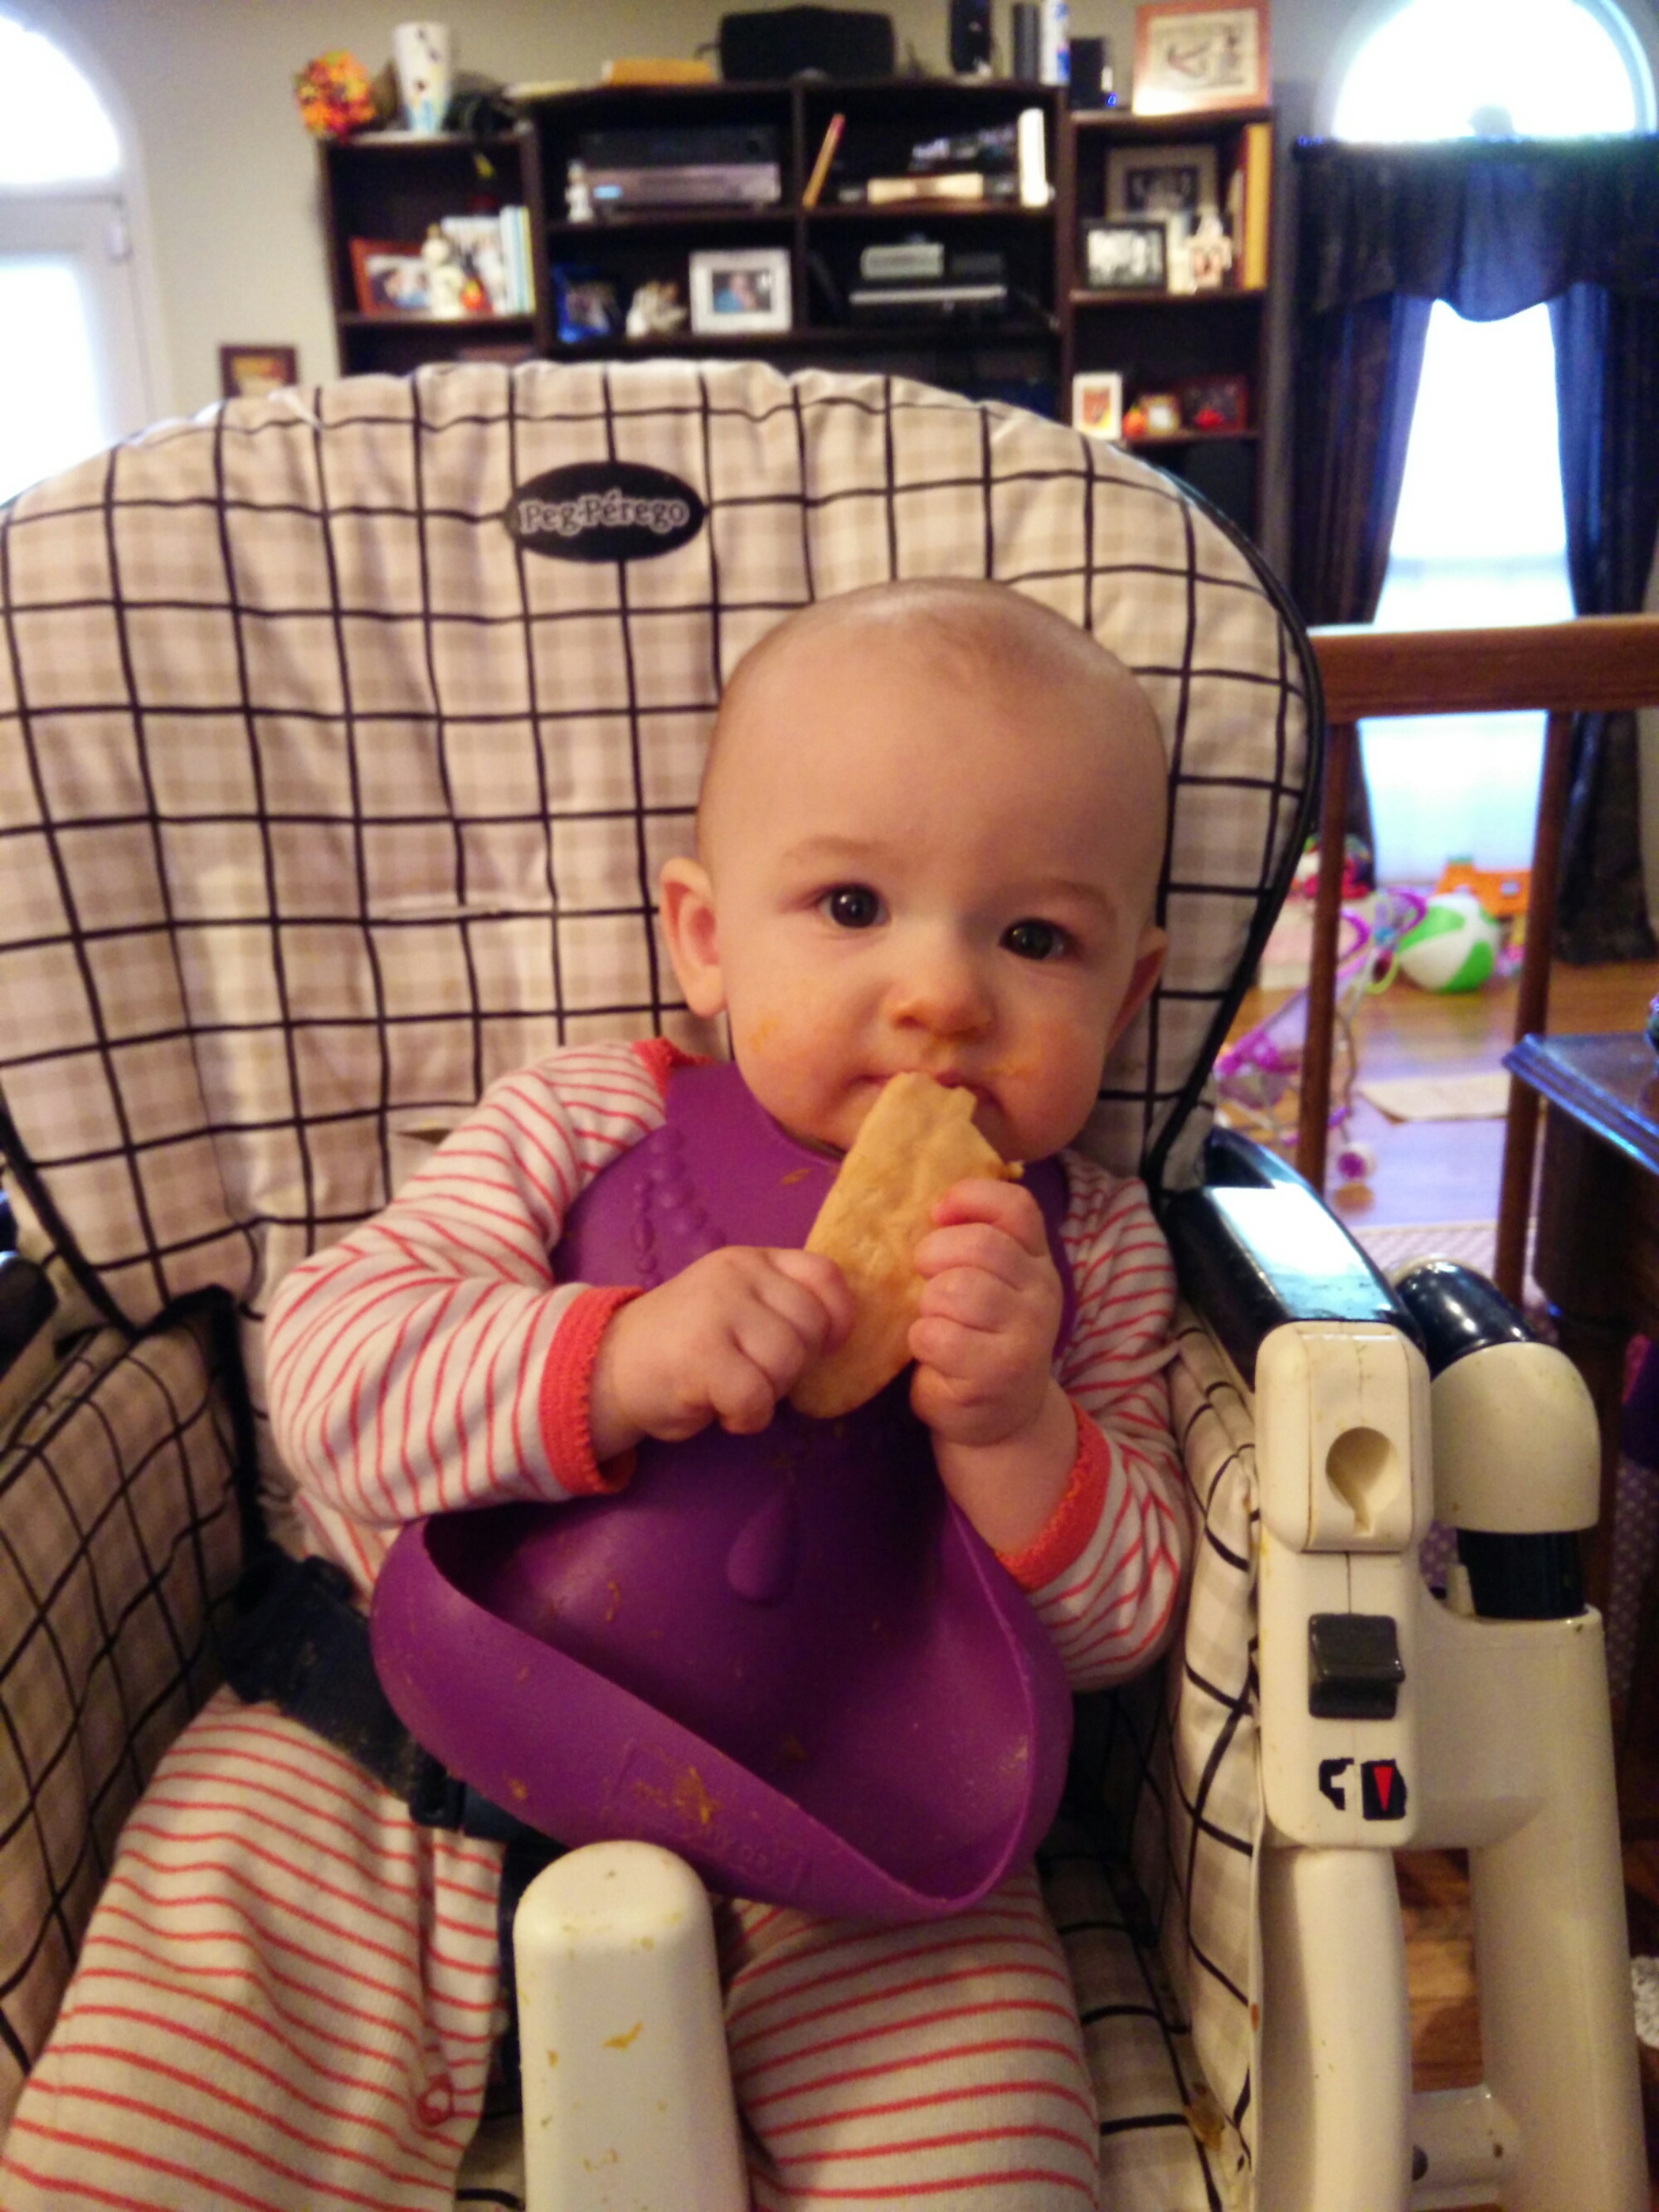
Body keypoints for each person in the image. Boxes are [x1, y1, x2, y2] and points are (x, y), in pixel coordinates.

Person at [1, 579, 1188, 2211]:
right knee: (154, 2124)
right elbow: (328, 1376)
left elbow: (1124, 1623)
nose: (942, 995)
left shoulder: (1090, 1246)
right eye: (851, 904)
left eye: (1034, 938)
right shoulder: (582, 1119)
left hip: (846, 1812)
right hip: (386, 1739)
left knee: (983, 2147)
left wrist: (1013, 1427)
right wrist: (609, 1360)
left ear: (1127, 995)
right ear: (704, 938)